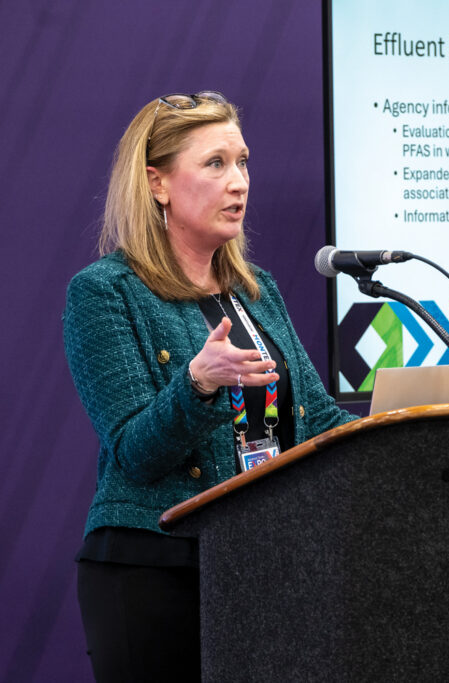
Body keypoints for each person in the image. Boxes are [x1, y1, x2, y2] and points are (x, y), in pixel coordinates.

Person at [63, 92, 356, 682]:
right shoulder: (105, 291)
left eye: (243, 162)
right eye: (216, 164)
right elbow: (133, 452)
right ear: (158, 184)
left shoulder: (256, 290)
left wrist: (402, 430)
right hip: (155, 569)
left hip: (259, 560)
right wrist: (197, 384)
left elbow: (318, 420)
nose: (239, 182)